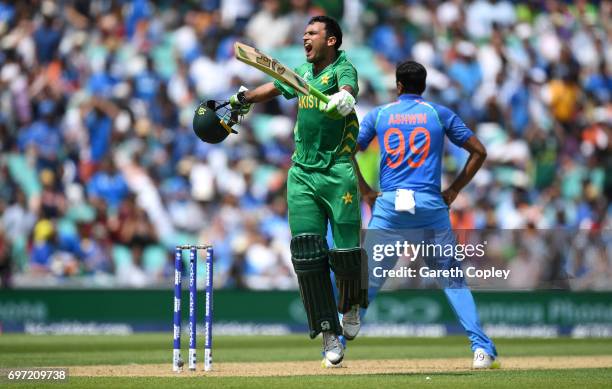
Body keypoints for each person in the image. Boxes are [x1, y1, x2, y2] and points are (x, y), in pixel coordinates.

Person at [229, 16, 367, 367]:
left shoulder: (342, 69)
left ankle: (350, 305)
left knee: (348, 251)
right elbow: (276, 86)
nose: (304, 37)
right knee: (307, 255)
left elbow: (350, 88)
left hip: (338, 172)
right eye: (303, 32)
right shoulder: (303, 74)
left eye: (312, 33)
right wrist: (244, 98)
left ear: (331, 40)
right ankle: (329, 334)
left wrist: (345, 99)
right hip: (302, 173)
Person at [356, 61, 498, 368]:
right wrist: (455, 190)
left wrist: (365, 191)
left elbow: (346, 152)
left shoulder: (379, 114)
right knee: (453, 281)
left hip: (391, 205)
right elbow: (480, 151)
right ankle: (481, 350)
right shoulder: (439, 113)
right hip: (430, 205)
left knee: (366, 281)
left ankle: (336, 348)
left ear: (398, 86)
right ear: (424, 85)